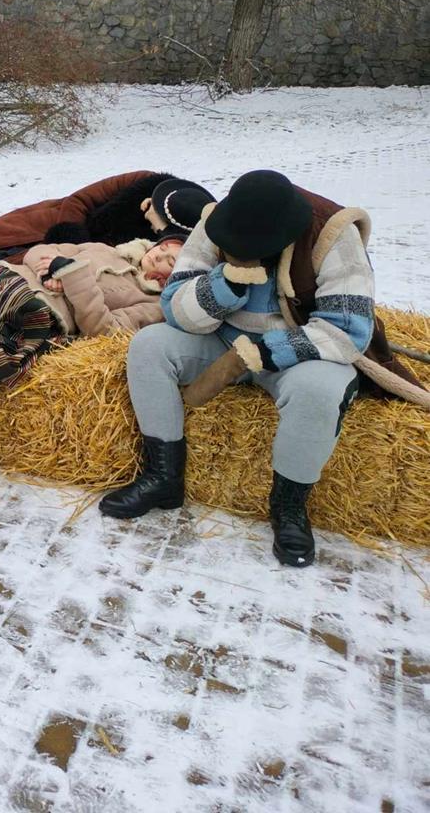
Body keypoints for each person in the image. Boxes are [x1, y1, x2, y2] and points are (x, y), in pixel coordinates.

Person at [103, 170, 429, 568]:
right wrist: (226, 285)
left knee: (318, 392)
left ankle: (288, 508)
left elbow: (347, 331)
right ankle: (163, 478)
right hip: (222, 340)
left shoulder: (332, 234)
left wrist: (263, 352)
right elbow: (175, 308)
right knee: (149, 346)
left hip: (301, 350)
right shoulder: (216, 222)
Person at [0, 234, 187, 481]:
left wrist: (72, 276)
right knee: (19, 308)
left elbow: (104, 329)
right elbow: (39, 251)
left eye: (170, 260)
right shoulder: (104, 249)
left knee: (1, 343)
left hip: (45, 318)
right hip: (14, 284)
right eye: (162, 248)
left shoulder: (152, 304)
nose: (158, 256)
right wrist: (49, 270)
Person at [0, 172, 213, 266]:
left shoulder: (162, 248)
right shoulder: (141, 181)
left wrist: (159, 228)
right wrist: (72, 241)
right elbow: (80, 199)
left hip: (62, 263)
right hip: (48, 224)